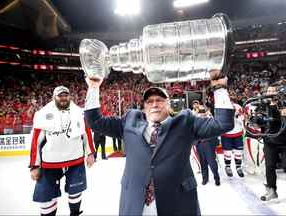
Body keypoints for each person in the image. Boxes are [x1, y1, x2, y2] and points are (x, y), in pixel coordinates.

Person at [84, 69, 234, 216]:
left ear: (168, 104)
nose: (154, 104)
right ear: (144, 107)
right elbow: (95, 121)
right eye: (149, 101)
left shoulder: (186, 122)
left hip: (178, 204)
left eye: (160, 100)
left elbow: (223, 124)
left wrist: (219, 88)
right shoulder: (129, 121)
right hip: (136, 204)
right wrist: (93, 87)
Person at [29, 86, 95, 216]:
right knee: (46, 197)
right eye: (60, 96)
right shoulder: (43, 113)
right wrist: (34, 165)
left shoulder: (79, 112)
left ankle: (75, 213)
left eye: (66, 95)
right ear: (54, 97)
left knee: (76, 191)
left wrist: (90, 153)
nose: (63, 98)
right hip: (50, 164)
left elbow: (86, 133)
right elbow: (36, 141)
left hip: (75, 161)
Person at [260, 85, 286, 201]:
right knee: (269, 166)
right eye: (268, 91)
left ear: (277, 92)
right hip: (270, 140)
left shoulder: (283, 103)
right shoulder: (262, 106)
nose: (270, 93)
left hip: (284, 140)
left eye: (273, 91)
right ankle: (271, 190)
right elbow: (258, 120)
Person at [194, 104, 220, 186]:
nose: (202, 114)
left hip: (209, 144)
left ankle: (216, 177)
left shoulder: (211, 120)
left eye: (203, 112)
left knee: (212, 162)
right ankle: (205, 178)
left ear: (206, 112)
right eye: (200, 112)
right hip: (200, 144)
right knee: (203, 163)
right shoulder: (195, 121)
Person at [221, 96, 245, 178]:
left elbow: (243, 119)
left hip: (237, 133)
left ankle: (238, 167)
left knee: (238, 152)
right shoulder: (221, 107)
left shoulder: (238, 107)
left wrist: (237, 116)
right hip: (226, 134)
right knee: (227, 152)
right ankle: (228, 167)